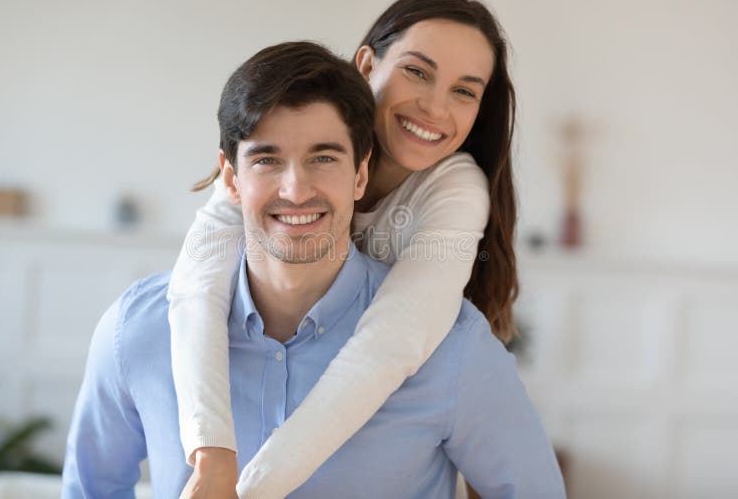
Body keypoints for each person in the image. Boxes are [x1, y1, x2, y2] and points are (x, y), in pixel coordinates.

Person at [62, 41, 565, 499]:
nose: (296, 189)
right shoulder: (137, 332)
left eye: (323, 158)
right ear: (231, 179)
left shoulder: (455, 350)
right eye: (267, 160)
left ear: (361, 173)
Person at [170, 0, 524, 498]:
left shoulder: (455, 190)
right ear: (366, 64)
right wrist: (212, 456)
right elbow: (195, 287)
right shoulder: (289, 144)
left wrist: (254, 488)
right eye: (417, 72)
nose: (434, 106)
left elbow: (393, 341)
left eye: (464, 92)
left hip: (391, 423)